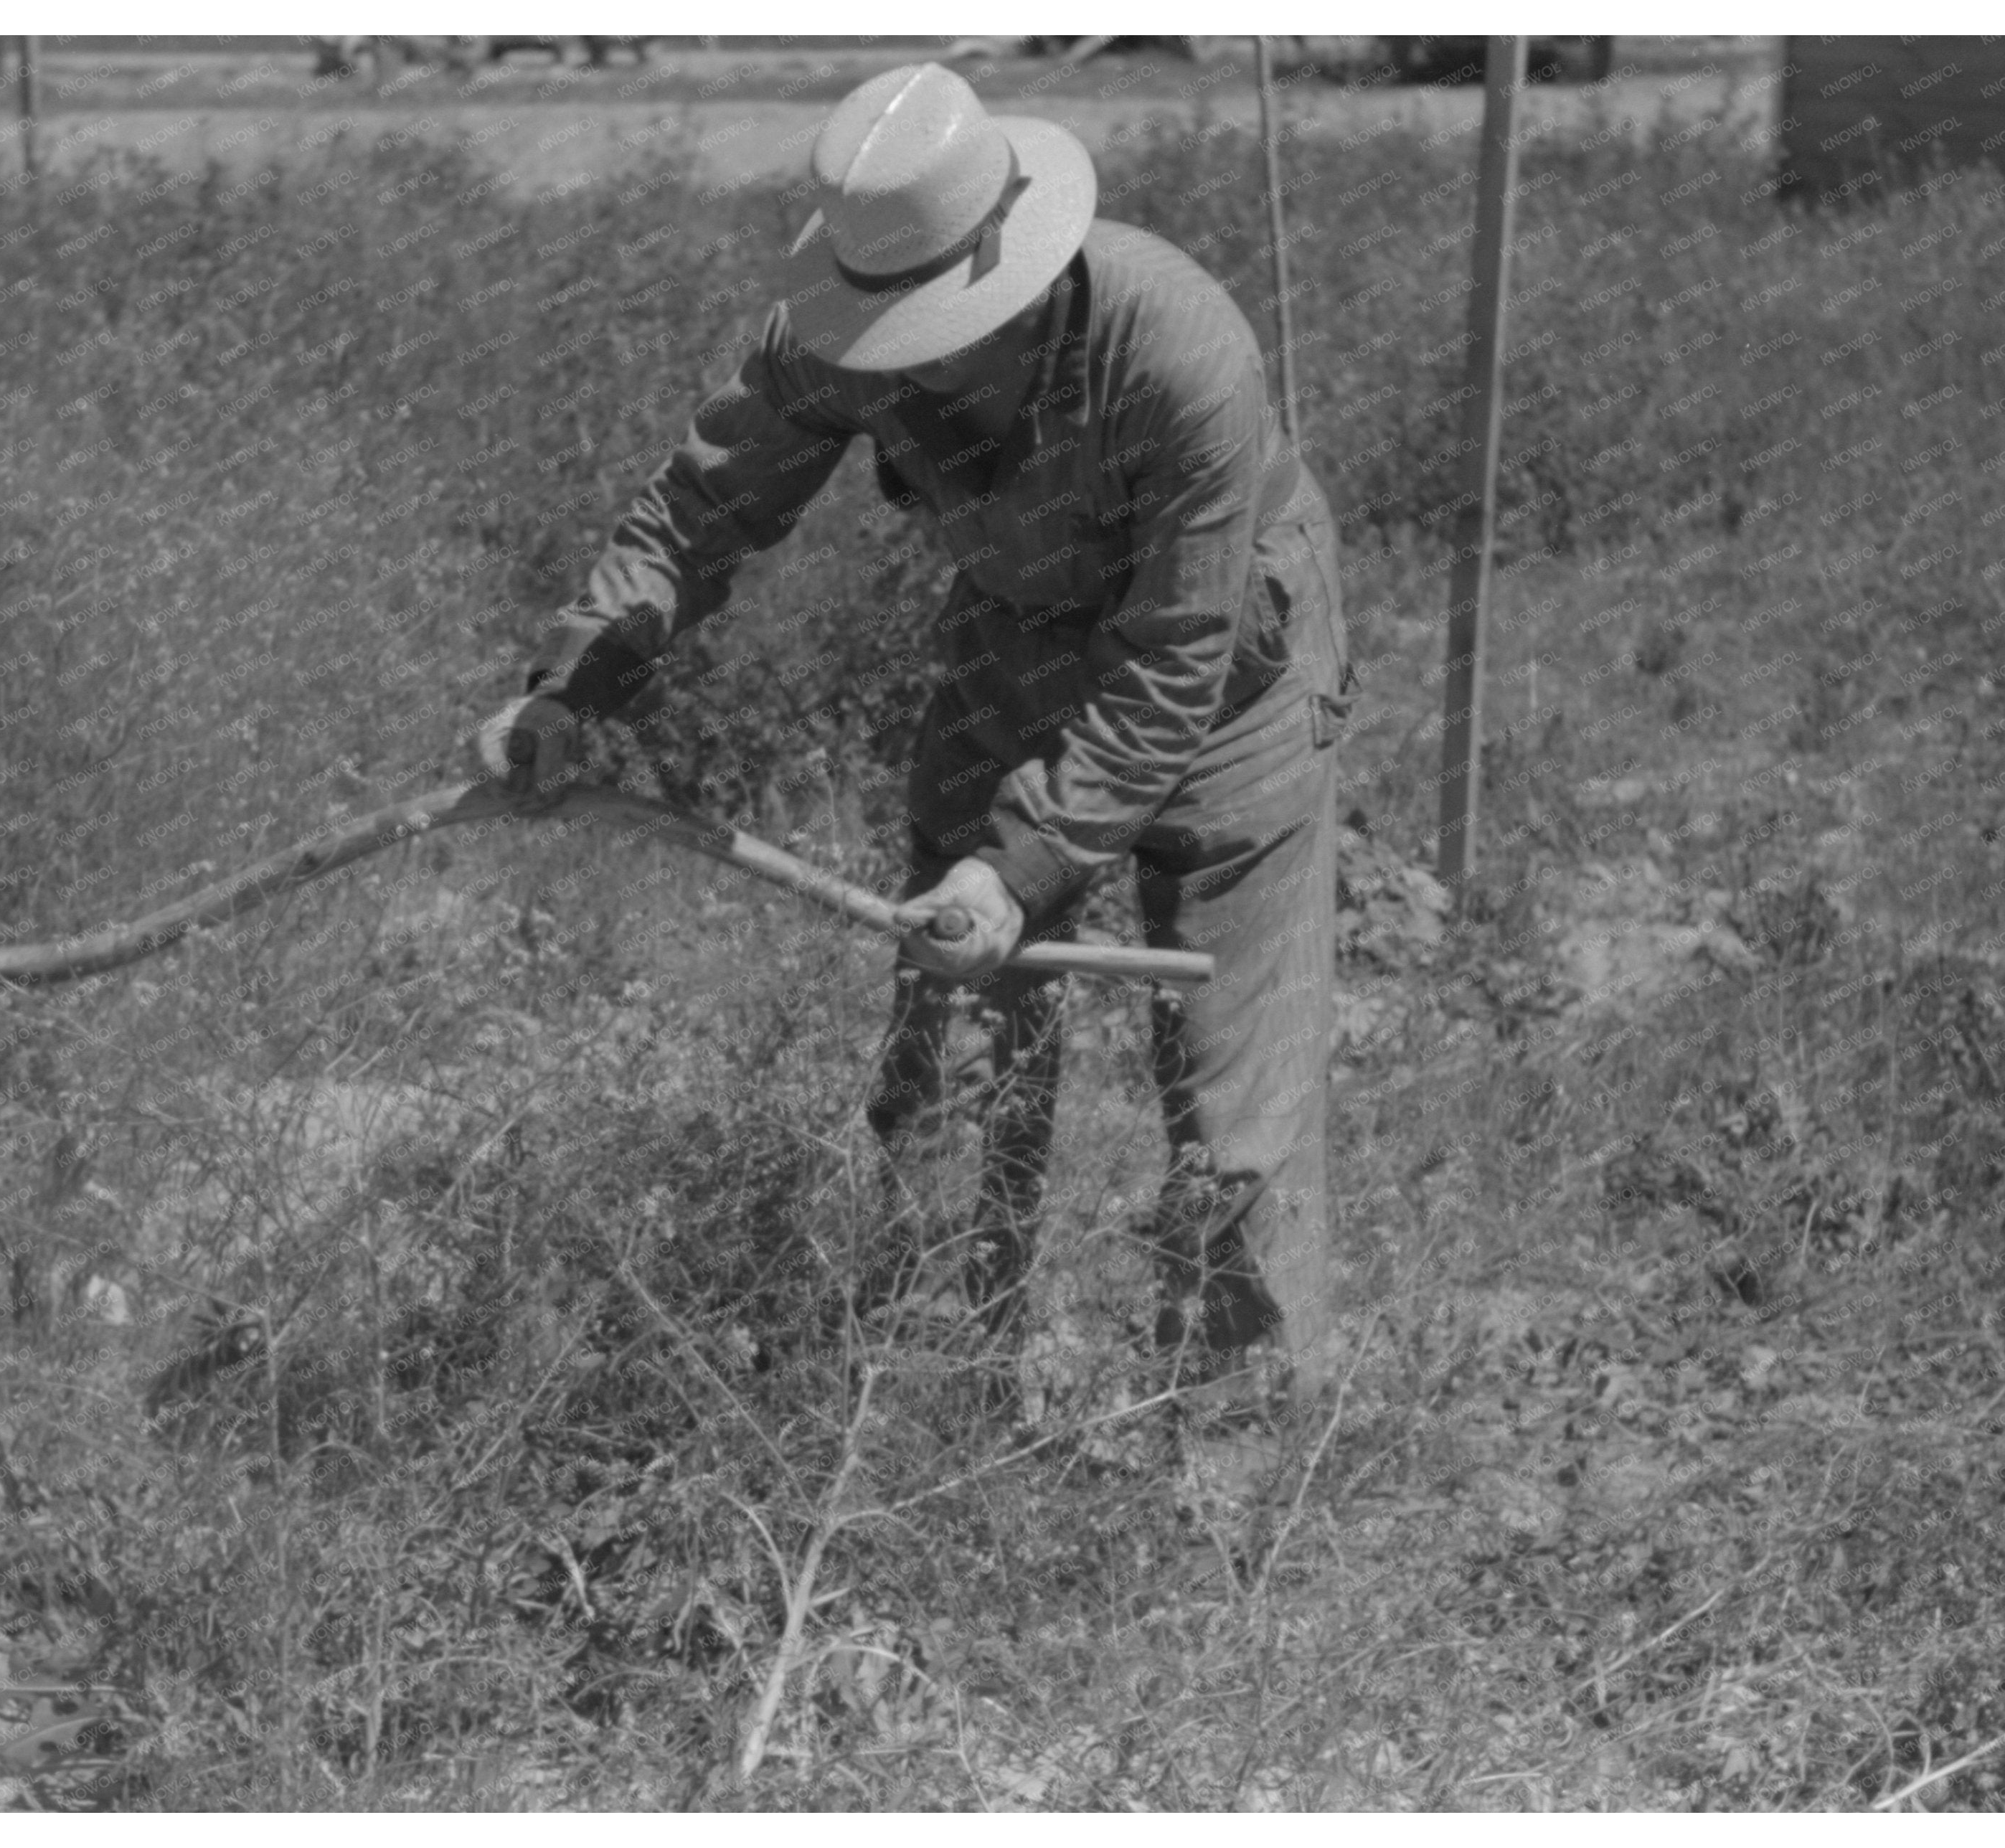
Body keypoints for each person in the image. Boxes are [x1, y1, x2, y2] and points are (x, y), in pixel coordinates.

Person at [470, 62, 1351, 1397]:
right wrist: (569, 688)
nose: (921, 357)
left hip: (1237, 652)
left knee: (1234, 1081)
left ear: (1024, 264)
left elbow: (1176, 657)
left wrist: (1030, 864)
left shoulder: (1179, 348)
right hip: (1018, 623)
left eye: (952, 322)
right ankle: (940, 1394)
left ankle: (1238, 1442)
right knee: (953, 1008)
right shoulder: (831, 333)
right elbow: (696, 511)